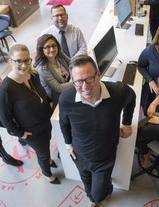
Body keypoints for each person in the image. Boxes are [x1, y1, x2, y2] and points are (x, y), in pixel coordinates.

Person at [58, 55, 136, 206]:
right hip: (79, 155)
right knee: (87, 184)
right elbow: (64, 124)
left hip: (104, 158)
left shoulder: (117, 92)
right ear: (72, 81)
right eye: (78, 82)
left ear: (98, 74)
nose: (85, 87)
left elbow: (131, 97)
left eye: (90, 79)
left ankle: (103, 191)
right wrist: (68, 145)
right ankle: (92, 198)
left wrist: (127, 123)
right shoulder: (66, 99)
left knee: (99, 194)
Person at [0, 44, 60, 184]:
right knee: (42, 154)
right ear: (10, 61)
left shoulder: (34, 75)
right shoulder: (4, 91)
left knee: (47, 143)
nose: (24, 65)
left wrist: (49, 103)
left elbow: (41, 93)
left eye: (26, 60)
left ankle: (48, 159)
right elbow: (5, 119)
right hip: (31, 131)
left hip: (45, 121)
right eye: (19, 61)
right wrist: (20, 134)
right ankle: (48, 174)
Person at [34, 34, 72, 112]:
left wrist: (73, 77)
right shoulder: (42, 68)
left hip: (70, 88)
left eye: (54, 46)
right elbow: (58, 88)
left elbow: (72, 64)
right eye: (47, 47)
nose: (52, 49)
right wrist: (76, 81)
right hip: (59, 99)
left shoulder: (59, 55)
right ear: (42, 50)